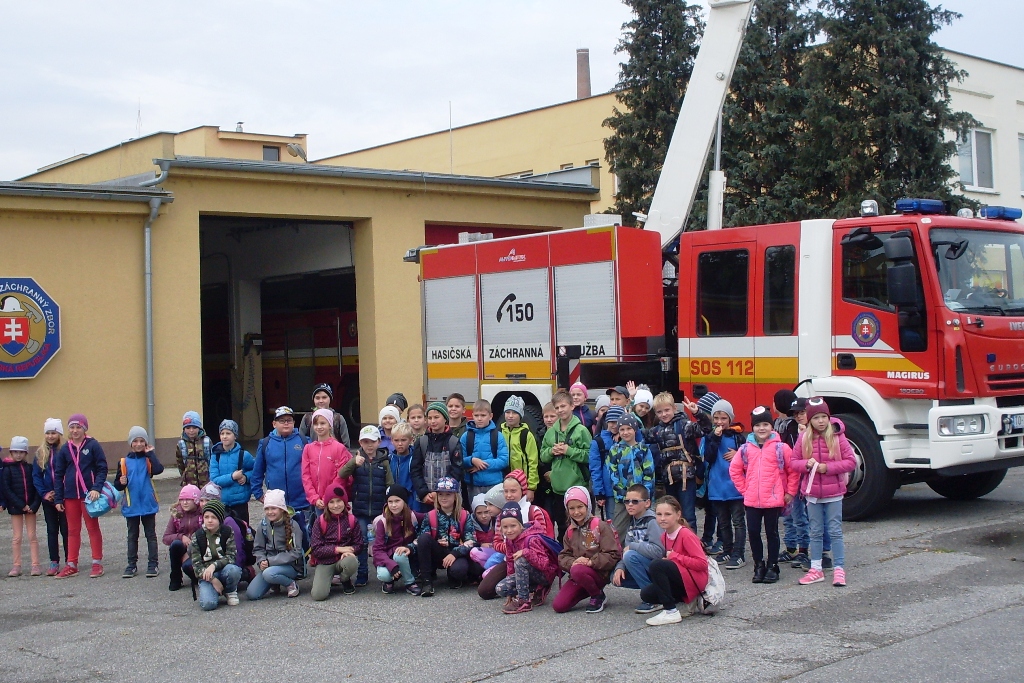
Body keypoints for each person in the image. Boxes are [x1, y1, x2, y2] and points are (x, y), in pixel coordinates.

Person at [729, 406, 799, 584]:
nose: (762, 428)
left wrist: (790, 492)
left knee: (772, 533)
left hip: (774, 500)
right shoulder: (745, 449)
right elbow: (735, 470)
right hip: (752, 500)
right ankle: (759, 564)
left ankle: (772, 565)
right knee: (753, 532)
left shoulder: (781, 448)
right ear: (752, 427)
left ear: (772, 426)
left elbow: (793, 471)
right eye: (758, 425)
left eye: (766, 424)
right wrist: (745, 490)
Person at [791, 398, 855, 588]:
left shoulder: (837, 436)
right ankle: (816, 568)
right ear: (809, 420)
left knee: (834, 531)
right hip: (812, 493)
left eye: (823, 417)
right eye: (816, 417)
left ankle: (839, 569)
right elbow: (794, 462)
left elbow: (851, 461)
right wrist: (806, 464)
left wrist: (827, 468)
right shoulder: (804, 438)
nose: (820, 421)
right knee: (815, 531)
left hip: (834, 492)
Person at [338, 425, 394, 587]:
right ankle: (362, 574)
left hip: (379, 510)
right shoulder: (357, 460)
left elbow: (389, 484)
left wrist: (388, 505)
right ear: (360, 443)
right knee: (361, 542)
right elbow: (342, 474)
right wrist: (353, 463)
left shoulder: (384, 461)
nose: (369, 445)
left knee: (382, 541)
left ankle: (385, 572)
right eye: (365, 442)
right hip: (360, 510)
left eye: (372, 442)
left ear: (379, 442)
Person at [642, 496, 710, 626]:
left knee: (657, 565)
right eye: (659, 514)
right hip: (683, 575)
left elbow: (702, 564)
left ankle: (671, 611)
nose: (662, 518)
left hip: (696, 578)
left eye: (667, 514)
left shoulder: (686, 534)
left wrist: (674, 557)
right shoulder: (664, 536)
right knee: (647, 594)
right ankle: (685, 600)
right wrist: (671, 559)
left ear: (678, 515)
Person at [553, 486, 621, 614]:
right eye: (571, 508)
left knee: (578, 570)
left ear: (588, 506)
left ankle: (597, 595)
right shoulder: (570, 531)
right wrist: (573, 562)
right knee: (559, 606)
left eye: (580, 507)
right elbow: (563, 556)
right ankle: (589, 589)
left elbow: (613, 554)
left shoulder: (600, 526)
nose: (576, 512)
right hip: (578, 573)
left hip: (599, 572)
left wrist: (590, 562)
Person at [53, 414, 107, 579]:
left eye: (78, 427)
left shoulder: (93, 445)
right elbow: (59, 474)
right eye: (72, 427)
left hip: (89, 496)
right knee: (72, 531)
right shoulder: (65, 449)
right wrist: (58, 498)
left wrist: (96, 488)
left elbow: (102, 468)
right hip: (70, 496)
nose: (75, 431)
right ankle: (71, 564)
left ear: (84, 429)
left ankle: (97, 563)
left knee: (92, 528)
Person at [701, 399, 747, 570]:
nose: (719, 422)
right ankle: (727, 548)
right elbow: (709, 458)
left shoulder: (738, 437)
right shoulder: (710, 437)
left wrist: (738, 454)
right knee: (723, 521)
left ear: (730, 419)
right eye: (716, 418)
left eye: (723, 418)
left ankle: (739, 552)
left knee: (738, 521)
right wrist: (715, 440)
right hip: (717, 486)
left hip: (735, 486)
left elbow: (749, 457)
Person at [114, 426, 165, 578]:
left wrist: (151, 453)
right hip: (132, 504)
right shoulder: (123, 462)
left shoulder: (149, 459)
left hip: (148, 503)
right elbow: (117, 485)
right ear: (130, 443)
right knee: (132, 536)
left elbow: (159, 469)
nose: (138, 444)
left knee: (151, 535)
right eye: (135, 441)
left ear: (146, 443)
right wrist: (121, 482)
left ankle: (153, 564)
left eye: (141, 441)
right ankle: (131, 565)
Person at [540, 390, 592, 537]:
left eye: (563, 406)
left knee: (582, 525)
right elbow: (543, 456)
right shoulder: (550, 432)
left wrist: (569, 451)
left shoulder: (581, 430)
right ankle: (564, 557)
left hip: (577, 485)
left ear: (571, 406)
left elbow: (589, 455)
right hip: (558, 488)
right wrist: (551, 451)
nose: (560, 410)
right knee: (562, 527)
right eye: (557, 408)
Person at [413, 476, 476, 595]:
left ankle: (453, 576)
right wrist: (408, 548)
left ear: (455, 496)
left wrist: (454, 552)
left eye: (448, 494)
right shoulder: (430, 515)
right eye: (440, 494)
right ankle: (427, 582)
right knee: (424, 539)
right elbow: (421, 539)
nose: (444, 498)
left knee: (459, 570)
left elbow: (471, 541)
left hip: (455, 554)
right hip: (437, 553)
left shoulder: (464, 515)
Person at [494, 501, 559, 614]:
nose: (509, 530)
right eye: (505, 527)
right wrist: (511, 593)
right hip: (526, 576)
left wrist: (526, 552)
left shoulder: (531, 539)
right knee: (500, 589)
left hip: (543, 574)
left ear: (520, 525)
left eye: (513, 526)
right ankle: (535, 590)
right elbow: (510, 563)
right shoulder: (509, 540)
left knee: (520, 560)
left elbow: (544, 564)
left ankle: (524, 601)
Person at [612, 484, 666, 613]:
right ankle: (658, 591)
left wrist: (633, 546)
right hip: (646, 563)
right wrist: (619, 567)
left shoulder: (652, 521)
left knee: (631, 556)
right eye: (627, 501)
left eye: (635, 501)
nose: (630, 504)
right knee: (614, 575)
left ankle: (653, 598)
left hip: (660, 566)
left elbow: (659, 551)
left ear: (647, 503)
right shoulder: (632, 523)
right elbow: (625, 549)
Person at [647, 392, 697, 530]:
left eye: (667, 410)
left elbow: (704, 429)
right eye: (659, 412)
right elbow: (638, 434)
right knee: (671, 514)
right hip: (668, 477)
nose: (664, 414)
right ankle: (673, 543)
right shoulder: (656, 431)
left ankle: (691, 546)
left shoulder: (685, 425)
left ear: (675, 408)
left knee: (688, 514)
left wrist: (697, 413)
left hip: (686, 475)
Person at [251, 406, 309, 523]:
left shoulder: (305, 441)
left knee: (303, 537)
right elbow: (257, 471)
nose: (286, 423)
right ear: (274, 424)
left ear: (294, 423)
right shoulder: (265, 443)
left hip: (302, 502)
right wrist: (258, 493)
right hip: (276, 504)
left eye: (289, 420)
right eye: (282, 421)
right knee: (278, 538)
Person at [247, 489, 305, 600]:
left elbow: (296, 552)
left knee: (269, 574)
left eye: (274, 508)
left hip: (290, 566)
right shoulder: (263, 525)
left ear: (282, 509)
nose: (270, 512)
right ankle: (275, 583)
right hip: (269, 566)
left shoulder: (293, 525)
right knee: (252, 594)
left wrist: (271, 562)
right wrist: (261, 561)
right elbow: (258, 548)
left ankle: (290, 583)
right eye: (267, 509)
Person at [309, 484, 363, 600]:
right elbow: (316, 549)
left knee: (351, 561)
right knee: (318, 595)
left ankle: (345, 579)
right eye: (331, 502)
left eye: (339, 501)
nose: (336, 505)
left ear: (345, 502)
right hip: (325, 562)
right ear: (327, 504)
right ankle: (328, 579)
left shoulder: (352, 520)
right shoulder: (320, 521)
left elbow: (359, 544)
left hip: (344, 559)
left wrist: (350, 551)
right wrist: (338, 549)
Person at [609, 414, 656, 544]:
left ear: (635, 429)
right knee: (619, 529)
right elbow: (613, 474)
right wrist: (622, 495)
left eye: (628, 429)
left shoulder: (643, 449)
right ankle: (618, 556)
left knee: (643, 527)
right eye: (622, 429)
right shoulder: (615, 450)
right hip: (623, 498)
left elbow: (649, 473)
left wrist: (645, 495)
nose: (625, 432)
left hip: (641, 498)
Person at [190, 499, 242, 610]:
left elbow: (231, 557)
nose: (209, 520)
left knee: (234, 570)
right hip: (206, 575)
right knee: (208, 605)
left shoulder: (227, 532)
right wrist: (213, 580)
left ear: (220, 519)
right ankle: (214, 590)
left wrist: (214, 566)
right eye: (206, 517)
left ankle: (230, 590)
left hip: (223, 569)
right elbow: (196, 565)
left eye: (213, 517)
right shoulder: (197, 536)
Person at [199, 483, 255, 585]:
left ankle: (245, 573)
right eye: (201, 500)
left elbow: (238, 549)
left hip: (230, 562)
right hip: (214, 562)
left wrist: (236, 570)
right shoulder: (204, 519)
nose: (203, 504)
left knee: (231, 574)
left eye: (208, 500)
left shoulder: (228, 521)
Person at [410, 402, 463, 510]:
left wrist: (441, 492)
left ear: (445, 419)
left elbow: (457, 470)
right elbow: (415, 470)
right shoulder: (422, 442)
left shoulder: (454, 442)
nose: (433, 421)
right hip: (425, 500)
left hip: (448, 499)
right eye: (429, 418)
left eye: (436, 417)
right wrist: (424, 493)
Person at [372, 484, 423, 595]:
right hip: (387, 558)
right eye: (390, 502)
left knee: (399, 554)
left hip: (407, 556)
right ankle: (389, 581)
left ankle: (410, 583)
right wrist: (391, 565)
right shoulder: (382, 522)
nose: (393, 505)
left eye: (397, 501)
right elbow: (377, 550)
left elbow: (430, 518)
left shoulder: (413, 516)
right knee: (383, 574)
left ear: (404, 502)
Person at [33, 419, 68, 576]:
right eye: (48, 433)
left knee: (67, 530)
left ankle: (70, 560)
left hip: (64, 496)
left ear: (59, 434)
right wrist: (44, 494)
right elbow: (36, 476)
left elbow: (69, 473)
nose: (50, 436)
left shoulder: (66, 451)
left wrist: (61, 491)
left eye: (53, 433)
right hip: (48, 498)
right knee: (52, 530)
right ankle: (54, 561)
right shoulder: (40, 453)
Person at [302, 408, 352, 516]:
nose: (319, 427)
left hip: (334, 501)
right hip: (316, 501)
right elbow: (306, 476)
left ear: (330, 425)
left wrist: (327, 497)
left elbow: (340, 476)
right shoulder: (308, 448)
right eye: (316, 424)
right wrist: (314, 498)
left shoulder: (339, 448)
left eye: (322, 423)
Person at [3, 436, 41, 576]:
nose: (18, 455)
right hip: (16, 508)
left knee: (32, 536)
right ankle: (16, 565)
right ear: (11, 453)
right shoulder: (7, 470)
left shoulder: (30, 468)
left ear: (26, 453)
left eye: (21, 452)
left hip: (31, 508)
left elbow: (37, 487)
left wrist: (34, 505)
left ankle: (35, 565)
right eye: (15, 452)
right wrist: (21, 505)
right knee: (17, 537)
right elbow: (7, 490)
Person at [460, 398, 509, 499]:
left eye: (483, 415)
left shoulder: (498, 436)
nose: (479, 418)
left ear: (490, 416)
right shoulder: (466, 436)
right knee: (477, 513)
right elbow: (459, 459)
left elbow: (504, 460)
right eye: (476, 415)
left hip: (494, 484)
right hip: (473, 485)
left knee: (494, 513)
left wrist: (481, 465)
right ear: (472, 415)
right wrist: (472, 460)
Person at [209, 420, 255, 524]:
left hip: (240, 504)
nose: (225, 436)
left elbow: (256, 471)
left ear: (235, 436)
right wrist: (232, 476)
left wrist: (246, 477)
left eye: (228, 433)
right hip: (222, 503)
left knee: (243, 532)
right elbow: (214, 480)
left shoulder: (243, 455)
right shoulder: (216, 456)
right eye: (222, 433)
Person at [164, 484, 202, 591]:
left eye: (188, 499)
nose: (184, 502)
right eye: (182, 499)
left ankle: (198, 576)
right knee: (176, 544)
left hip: (198, 550)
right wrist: (181, 537)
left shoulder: (203, 514)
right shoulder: (177, 514)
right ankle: (175, 577)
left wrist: (190, 552)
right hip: (183, 548)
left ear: (196, 500)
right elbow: (166, 537)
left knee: (187, 566)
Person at [501, 396, 540, 501]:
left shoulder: (526, 435)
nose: (510, 416)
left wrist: (531, 487)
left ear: (521, 415)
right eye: (508, 412)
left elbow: (533, 462)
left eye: (514, 413)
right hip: (504, 484)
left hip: (522, 485)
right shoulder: (500, 432)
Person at [590, 406, 623, 523]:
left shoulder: (626, 439)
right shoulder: (598, 442)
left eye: (618, 422)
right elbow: (595, 469)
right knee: (613, 524)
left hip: (628, 489)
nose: (615, 425)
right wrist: (599, 493)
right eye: (612, 422)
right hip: (610, 490)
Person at [299, 383, 352, 447]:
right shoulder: (307, 418)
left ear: (330, 399)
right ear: (313, 400)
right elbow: (301, 442)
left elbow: (346, 445)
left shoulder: (338, 418)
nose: (321, 401)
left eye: (324, 397)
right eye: (317, 398)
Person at [176, 411, 212, 488]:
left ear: (199, 428)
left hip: (206, 483)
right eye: (188, 428)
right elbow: (180, 464)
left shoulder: (206, 441)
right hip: (189, 484)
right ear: (184, 429)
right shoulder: (181, 444)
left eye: (194, 427)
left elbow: (212, 460)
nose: (191, 430)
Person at [468, 493, 498, 574]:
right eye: (479, 513)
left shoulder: (497, 520)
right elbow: (468, 540)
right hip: (477, 553)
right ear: (474, 513)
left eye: (486, 512)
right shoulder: (470, 523)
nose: (483, 516)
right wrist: (480, 544)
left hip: (495, 550)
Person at [389, 421, 416, 495]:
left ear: (411, 440)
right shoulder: (389, 460)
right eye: (396, 440)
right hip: (393, 501)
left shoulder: (415, 459)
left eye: (403, 440)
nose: (400, 444)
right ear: (391, 440)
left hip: (410, 500)